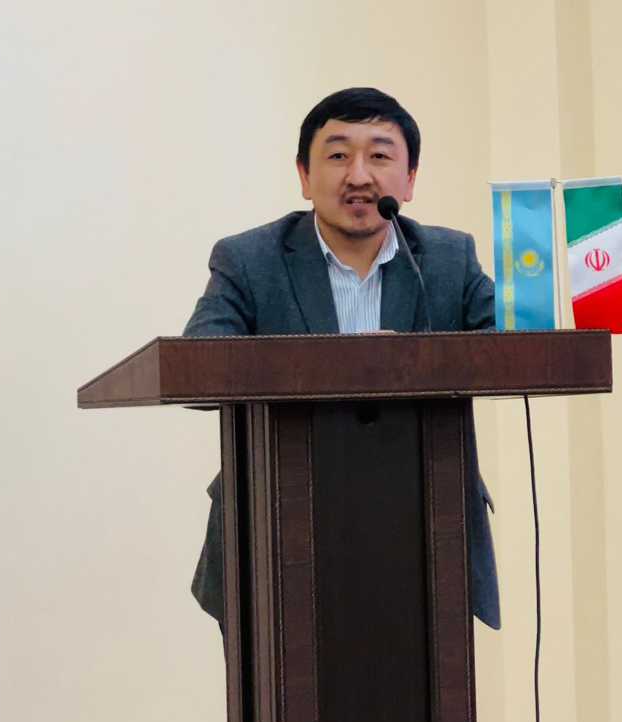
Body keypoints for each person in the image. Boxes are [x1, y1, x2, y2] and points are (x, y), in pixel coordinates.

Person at [184, 87, 500, 629]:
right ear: (305, 176)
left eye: (379, 155)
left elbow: (510, 350)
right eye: (337, 155)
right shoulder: (249, 259)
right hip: (277, 526)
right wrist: (342, 363)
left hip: (427, 526)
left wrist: (411, 361)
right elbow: (200, 366)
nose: (358, 175)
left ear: (410, 179)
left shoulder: (448, 259)